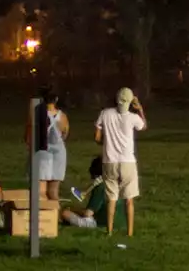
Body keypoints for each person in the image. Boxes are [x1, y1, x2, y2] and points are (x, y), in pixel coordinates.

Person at [94, 87, 147, 236]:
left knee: (111, 198)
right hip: (128, 162)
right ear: (130, 102)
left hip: (109, 161)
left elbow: (97, 137)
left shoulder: (105, 114)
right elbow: (144, 126)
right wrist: (140, 109)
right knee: (129, 199)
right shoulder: (133, 117)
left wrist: (106, 144)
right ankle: (129, 233)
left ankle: (109, 231)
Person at [27, 89, 70, 201]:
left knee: (40, 191)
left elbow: (29, 135)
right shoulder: (63, 116)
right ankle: (55, 217)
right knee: (53, 191)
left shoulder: (37, 114)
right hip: (59, 152)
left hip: (42, 152)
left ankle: (43, 216)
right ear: (56, 99)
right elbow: (65, 135)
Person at [60, 156, 121, 230]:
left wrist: (73, 210)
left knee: (65, 213)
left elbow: (87, 214)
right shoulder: (118, 184)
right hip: (121, 224)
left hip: (101, 224)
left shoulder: (100, 187)